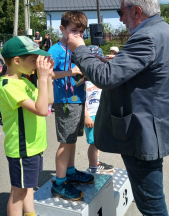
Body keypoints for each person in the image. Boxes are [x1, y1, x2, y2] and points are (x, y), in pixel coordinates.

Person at [67, 0, 169, 215]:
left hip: (143, 132)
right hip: (153, 126)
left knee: (151, 204)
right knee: (151, 197)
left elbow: (106, 77)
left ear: (137, 11)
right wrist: (102, 62)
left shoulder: (147, 36)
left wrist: (80, 50)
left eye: (121, 12)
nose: (120, 19)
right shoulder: (164, 32)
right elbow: (132, 72)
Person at [0, 36, 54, 216]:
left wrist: (49, 77)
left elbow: (49, 101)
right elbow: (42, 109)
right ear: (16, 60)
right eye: (33, 59)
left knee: (28, 186)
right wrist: (42, 78)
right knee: (18, 192)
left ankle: (30, 214)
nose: (36, 63)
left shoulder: (24, 81)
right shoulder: (9, 86)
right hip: (23, 148)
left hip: (33, 145)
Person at [48, 11, 94, 201]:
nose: (78, 36)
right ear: (62, 29)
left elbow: (77, 75)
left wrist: (83, 76)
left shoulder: (77, 49)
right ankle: (59, 183)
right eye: (74, 31)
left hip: (78, 99)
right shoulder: (55, 50)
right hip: (65, 102)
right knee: (65, 142)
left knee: (72, 140)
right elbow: (47, 74)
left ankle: (71, 171)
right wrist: (69, 72)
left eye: (81, 32)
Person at [84, 46, 114, 174]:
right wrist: (86, 116)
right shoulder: (82, 79)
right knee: (94, 143)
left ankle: (97, 162)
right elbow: (80, 100)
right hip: (91, 115)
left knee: (98, 142)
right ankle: (93, 167)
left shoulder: (101, 77)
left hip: (100, 114)